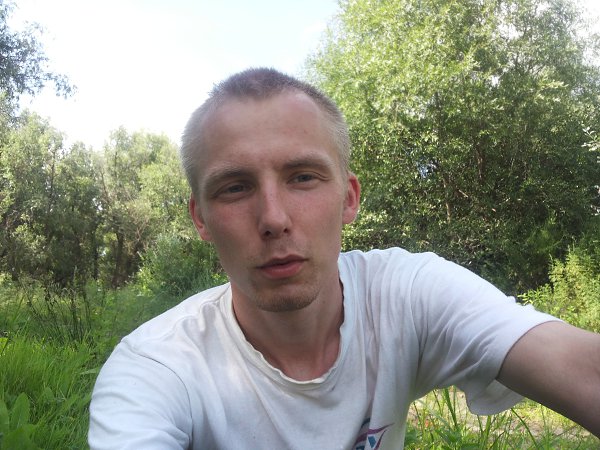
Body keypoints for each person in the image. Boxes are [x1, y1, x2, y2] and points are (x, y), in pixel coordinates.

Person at [88, 67, 600, 449]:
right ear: (201, 218)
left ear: (349, 198)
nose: (273, 218)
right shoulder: (156, 367)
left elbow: (584, 370)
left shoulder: (406, 293)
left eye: (302, 177)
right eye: (235, 187)